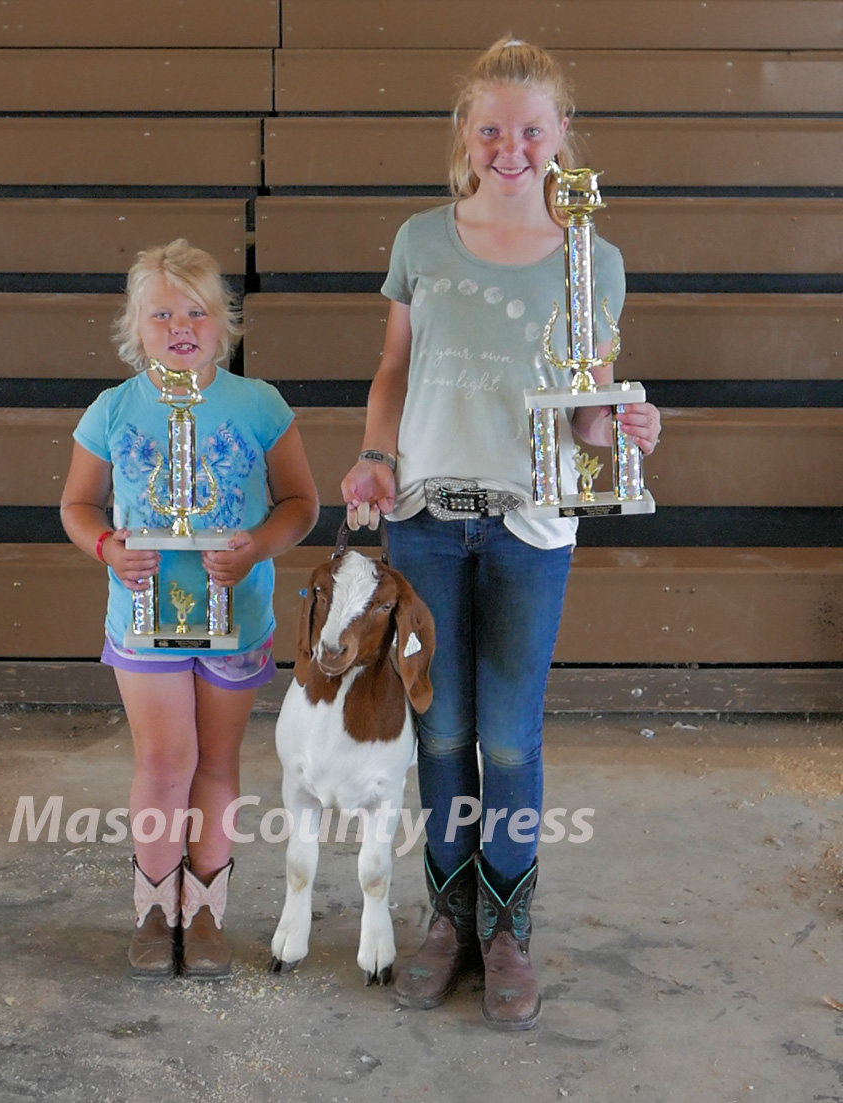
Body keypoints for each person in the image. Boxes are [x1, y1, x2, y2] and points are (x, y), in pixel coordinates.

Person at [341, 36, 661, 1029]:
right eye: (490, 128)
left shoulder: (592, 258)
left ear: (564, 135)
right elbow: (393, 367)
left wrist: (627, 423)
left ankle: (510, 923)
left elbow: (587, 410)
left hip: (529, 525)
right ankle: (448, 918)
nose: (509, 146)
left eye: (530, 128)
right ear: (465, 136)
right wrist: (375, 455)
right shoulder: (421, 239)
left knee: (509, 740)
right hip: (427, 519)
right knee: (439, 728)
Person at [61, 239, 319, 980]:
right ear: (134, 327)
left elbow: (302, 504)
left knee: (217, 759)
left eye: (197, 311)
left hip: (235, 613)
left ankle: (206, 905)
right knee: (164, 758)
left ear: (223, 324)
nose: (180, 325)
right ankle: (153, 903)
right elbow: (76, 505)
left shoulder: (259, 403)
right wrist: (107, 546)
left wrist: (257, 546)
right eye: (161, 312)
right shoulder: (112, 409)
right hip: (142, 618)